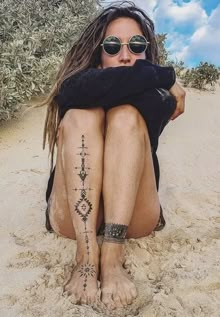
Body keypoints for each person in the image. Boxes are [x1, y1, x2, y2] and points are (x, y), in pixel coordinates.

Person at [42, 1, 185, 309]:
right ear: (98, 55)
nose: (125, 54)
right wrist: (167, 77)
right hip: (72, 221)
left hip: (134, 217)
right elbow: (70, 91)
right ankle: (87, 255)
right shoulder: (80, 86)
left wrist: (159, 79)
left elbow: (135, 86)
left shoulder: (157, 98)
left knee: (125, 115)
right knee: (82, 115)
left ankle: (112, 255)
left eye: (136, 45)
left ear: (147, 53)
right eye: (112, 45)